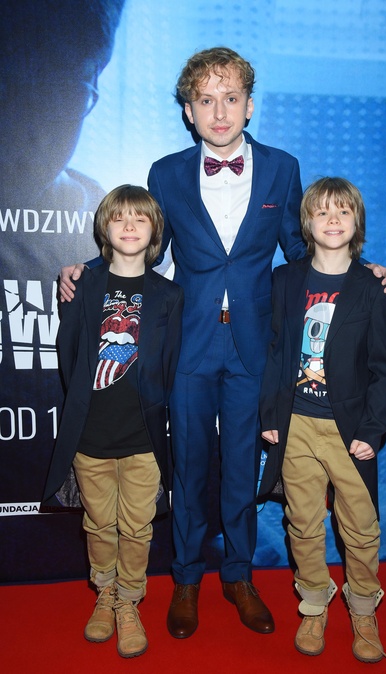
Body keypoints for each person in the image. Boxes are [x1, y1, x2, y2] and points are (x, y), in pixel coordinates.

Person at [59, 47, 386, 639]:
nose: (219, 112)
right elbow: (146, 248)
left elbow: (302, 250)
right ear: (189, 112)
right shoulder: (166, 173)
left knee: (243, 467)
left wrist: (363, 272)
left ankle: (239, 577)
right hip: (187, 344)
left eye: (231, 98)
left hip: (255, 346)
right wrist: (88, 271)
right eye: (206, 100)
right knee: (188, 468)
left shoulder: (282, 168)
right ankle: (186, 579)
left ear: (249, 106)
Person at [41, 185, 184, 658]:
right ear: (104, 227)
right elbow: (68, 353)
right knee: (100, 524)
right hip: (91, 436)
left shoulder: (169, 295)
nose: (129, 225)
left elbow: (171, 365)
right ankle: (105, 593)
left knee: (138, 528)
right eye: (119, 217)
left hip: (143, 438)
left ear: (154, 231)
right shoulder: (82, 285)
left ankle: (129, 601)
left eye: (139, 218)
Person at [259, 177, 386, 663]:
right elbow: (274, 352)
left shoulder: (372, 287)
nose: (333, 220)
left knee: (360, 526)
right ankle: (314, 603)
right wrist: (270, 414)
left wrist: (372, 430)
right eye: (322, 212)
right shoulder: (284, 280)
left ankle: (363, 608)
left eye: (343, 211)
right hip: (295, 425)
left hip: (350, 430)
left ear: (357, 222)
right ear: (307, 223)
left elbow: (383, 369)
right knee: (301, 521)